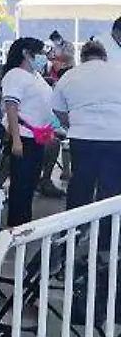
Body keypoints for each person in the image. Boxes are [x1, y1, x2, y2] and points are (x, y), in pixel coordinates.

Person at [52, 41, 121, 210]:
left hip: (82, 137)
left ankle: (76, 225)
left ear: (82, 58)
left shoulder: (70, 76)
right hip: (115, 137)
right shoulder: (118, 71)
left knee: (80, 186)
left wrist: (71, 124)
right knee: (111, 188)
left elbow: (57, 108)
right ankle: (106, 227)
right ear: (104, 56)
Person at [0, 38, 54, 227]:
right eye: (40, 52)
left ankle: (25, 223)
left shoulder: (36, 76)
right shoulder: (15, 75)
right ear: (26, 53)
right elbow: (11, 107)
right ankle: (17, 226)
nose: (43, 57)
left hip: (37, 136)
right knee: (21, 185)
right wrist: (16, 140)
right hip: (23, 136)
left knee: (30, 183)